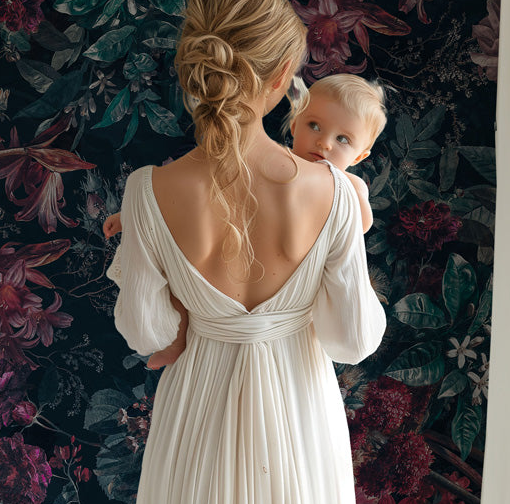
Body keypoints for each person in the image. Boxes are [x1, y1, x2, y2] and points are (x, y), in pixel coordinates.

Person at [106, 0, 386, 504]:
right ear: (287, 75)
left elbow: (147, 333)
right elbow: (351, 341)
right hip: (300, 419)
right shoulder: (335, 193)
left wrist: (182, 306)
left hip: (196, 417)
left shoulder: (147, 192)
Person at [104, 72, 387, 369]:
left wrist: (344, 204)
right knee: (175, 275)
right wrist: (133, 214)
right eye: (314, 125)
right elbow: (208, 196)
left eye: (343, 139)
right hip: (232, 258)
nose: (325, 143)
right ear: (294, 124)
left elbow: (360, 227)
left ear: (361, 155)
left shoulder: (348, 187)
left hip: (286, 313)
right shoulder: (270, 165)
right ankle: (176, 341)